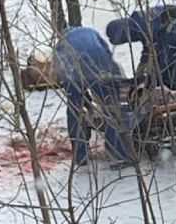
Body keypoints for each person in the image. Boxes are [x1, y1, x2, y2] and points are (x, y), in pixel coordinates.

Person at [54, 27, 133, 168]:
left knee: (74, 110)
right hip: (97, 65)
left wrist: (82, 98)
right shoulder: (91, 33)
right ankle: (118, 154)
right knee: (109, 109)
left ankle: (80, 155)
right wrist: (114, 83)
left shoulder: (61, 44)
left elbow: (59, 69)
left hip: (71, 71)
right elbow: (107, 55)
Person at [105, 2, 176, 84]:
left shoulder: (144, 27)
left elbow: (160, 54)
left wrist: (149, 79)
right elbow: (148, 48)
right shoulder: (137, 21)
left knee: (169, 68)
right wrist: (139, 72)